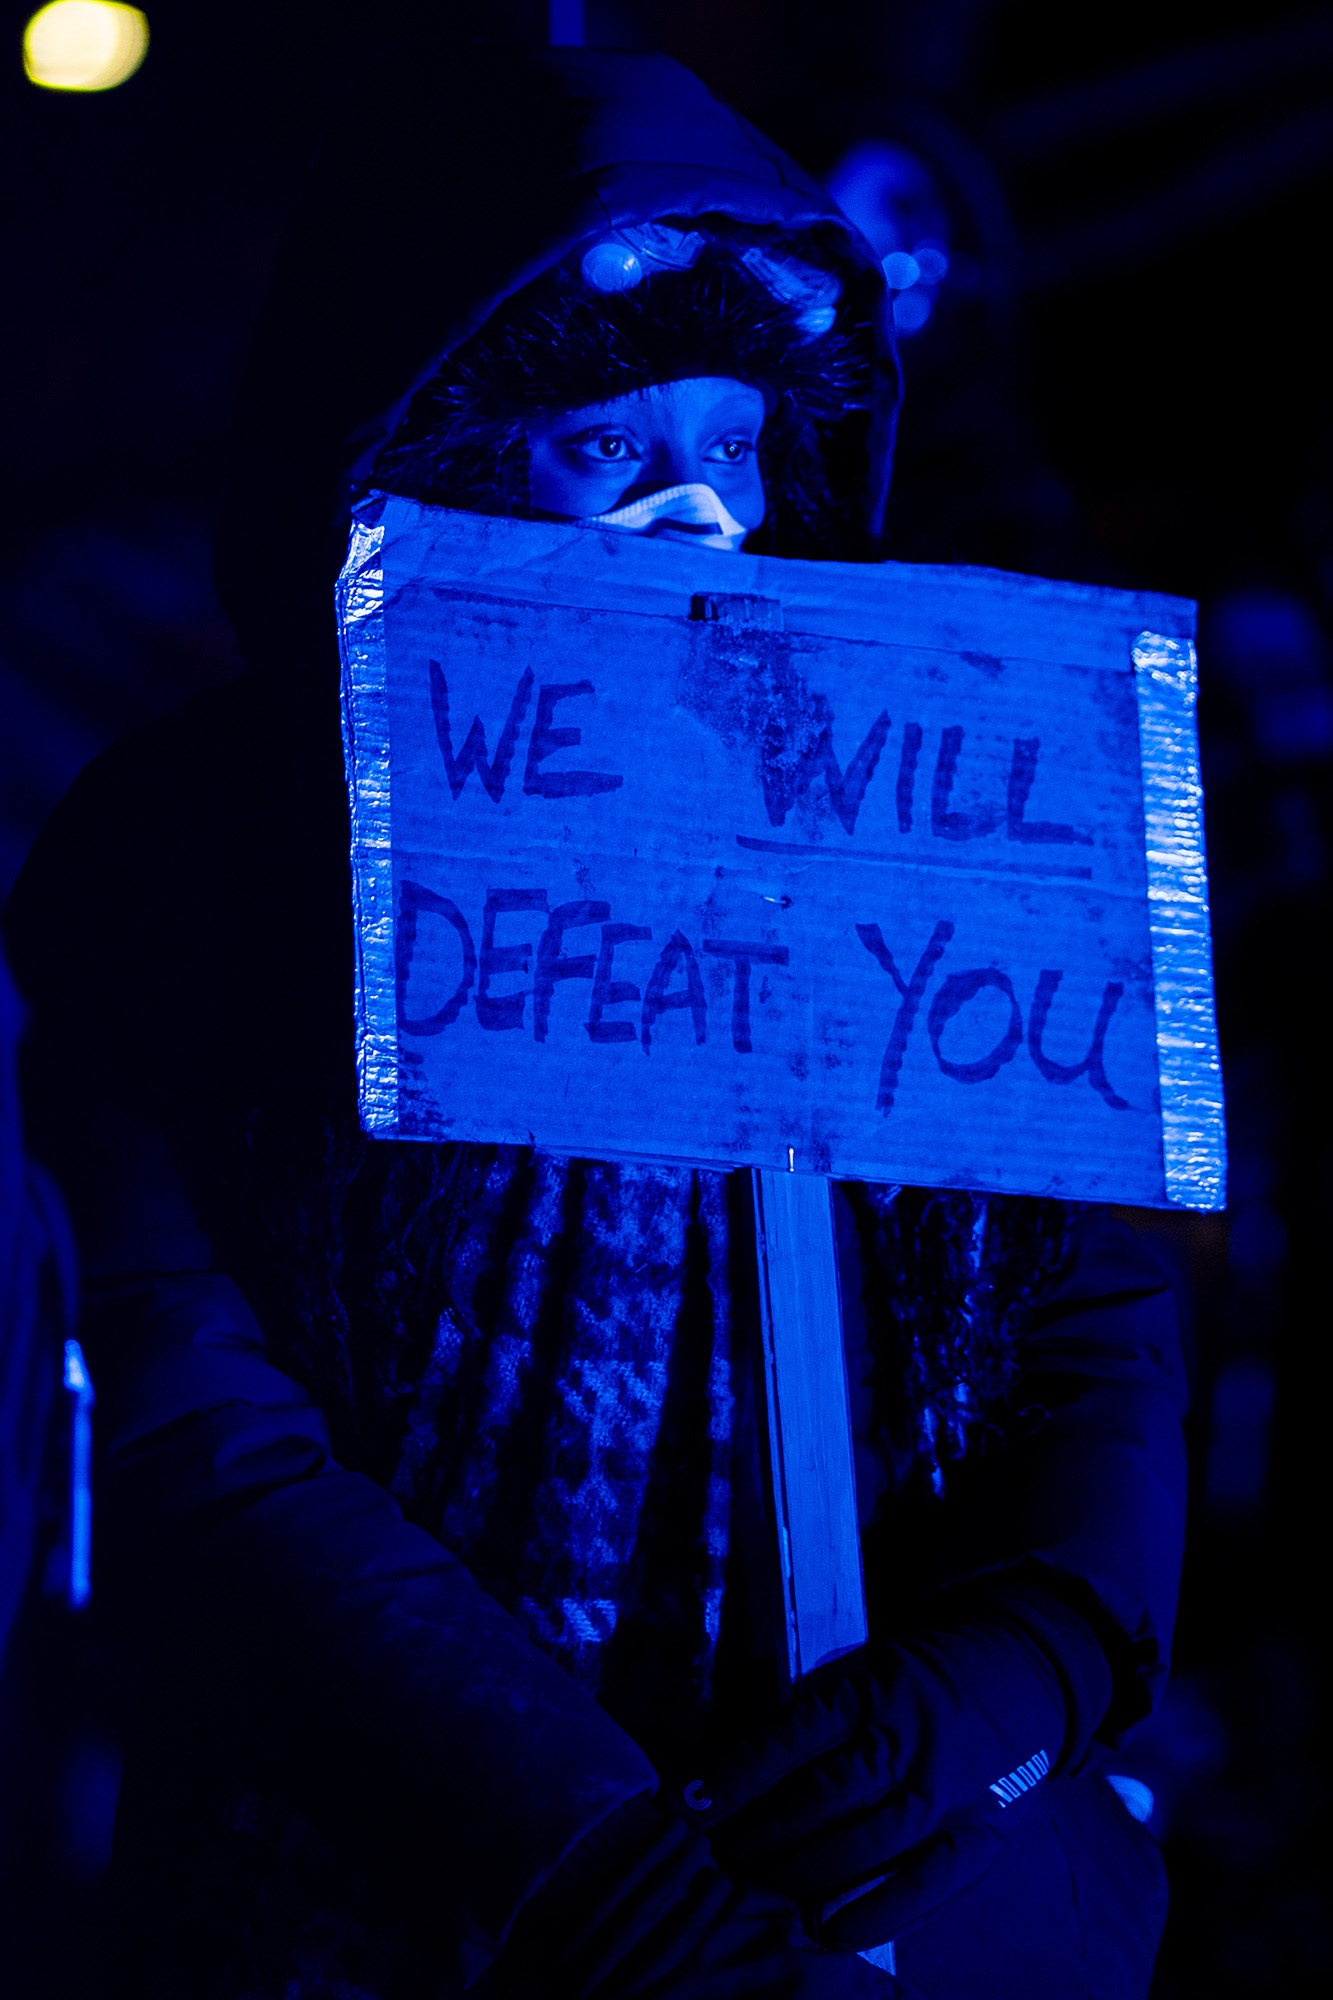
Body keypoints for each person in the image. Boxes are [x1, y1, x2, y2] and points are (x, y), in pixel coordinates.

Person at [3, 42, 1187, 2000]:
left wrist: (1030, 1653)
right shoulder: (197, 851)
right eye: (605, 447)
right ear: (442, 451)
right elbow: (188, 1399)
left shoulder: (914, 822)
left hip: (879, 1889)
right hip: (381, 1892)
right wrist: (568, 1845)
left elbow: (1087, 1317)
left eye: (728, 451)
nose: (689, 513)